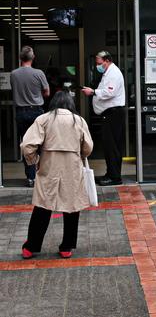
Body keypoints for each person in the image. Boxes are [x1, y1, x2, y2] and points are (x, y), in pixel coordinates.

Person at [20, 90, 94, 259]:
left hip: (49, 167)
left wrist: (35, 160)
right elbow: (88, 147)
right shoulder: (78, 120)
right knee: (72, 207)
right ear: (70, 104)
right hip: (72, 168)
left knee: (42, 206)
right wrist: (80, 155)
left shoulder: (43, 119)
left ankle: (30, 247)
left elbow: (27, 145)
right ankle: (66, 247)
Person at [81, 51, 125, 186]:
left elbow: (110, 92)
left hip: (113, 114)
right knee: (109, 146)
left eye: (99, 63)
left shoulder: (113, 73)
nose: (97, 66)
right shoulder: (108, 73)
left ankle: (114, 177)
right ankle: (111, 174)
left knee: (111, 146)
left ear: (107, 60)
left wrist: (93, 92)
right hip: (110, 114)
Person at [10, 46, 50, 187]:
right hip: (36, 112)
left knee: (26, 145)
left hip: (20, 112)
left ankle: (30, 178)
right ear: (33, 58)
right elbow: (47, 92)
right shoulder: (39, 73)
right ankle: (42, 174)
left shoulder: (14, 74)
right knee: (41, 143)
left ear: (20, 58)